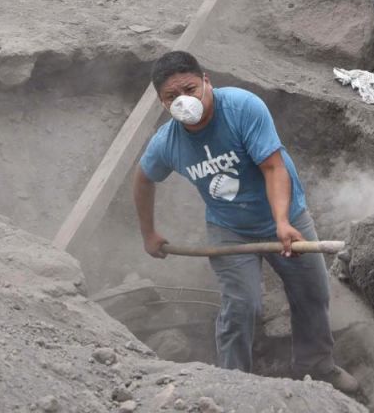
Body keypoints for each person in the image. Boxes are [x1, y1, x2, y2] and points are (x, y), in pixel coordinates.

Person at [133, 51, 359, 395]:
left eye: (190, 89)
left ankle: (317, 366)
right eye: (171, 97)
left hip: (285, 215)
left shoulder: (242, 108)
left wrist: (282, 222)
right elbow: (143, 179)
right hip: (229, 229)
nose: (183, 101)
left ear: (207, 81)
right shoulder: (168, 142)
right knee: (242, 305)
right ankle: (232, 383)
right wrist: (148, 233)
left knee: (312, 294)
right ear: (161, 102)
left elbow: (273, 167)